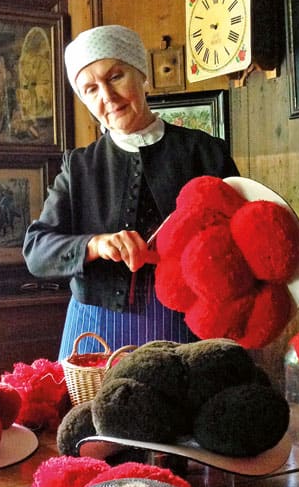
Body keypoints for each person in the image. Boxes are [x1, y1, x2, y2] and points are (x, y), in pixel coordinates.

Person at [22, 25, 239, 360]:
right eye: (90, 89)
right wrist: (93, 244)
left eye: (116, 76)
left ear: (142, 74)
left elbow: (241, 242)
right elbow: (36, 249)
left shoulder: (205, 153)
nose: (107, 96)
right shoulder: (79, 166)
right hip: (96, 330)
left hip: (184, 325)